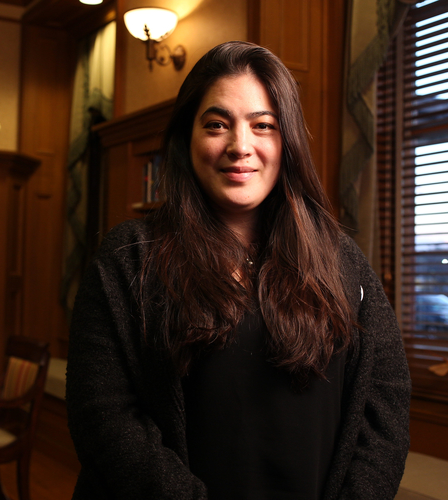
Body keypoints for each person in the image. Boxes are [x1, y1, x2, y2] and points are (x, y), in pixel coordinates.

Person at [66, 41, 410, 500]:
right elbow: (102, 414)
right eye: (216, 125)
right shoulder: (130, 255)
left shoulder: (342, 259)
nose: (239, 146)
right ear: (186, 137)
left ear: (286, 141)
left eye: (263, 125)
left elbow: (386, 402)